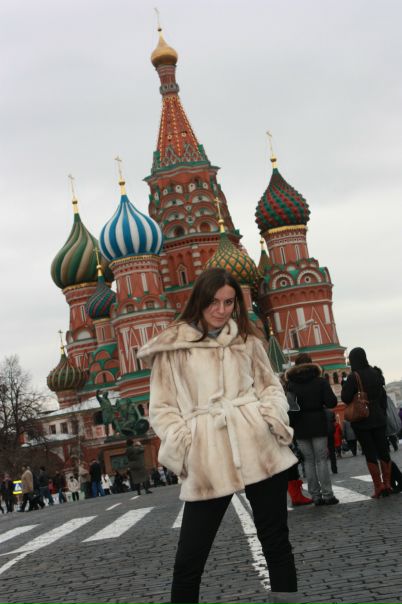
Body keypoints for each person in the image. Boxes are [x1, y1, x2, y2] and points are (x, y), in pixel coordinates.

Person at [138, 268, 299, 604]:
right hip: (207, 453)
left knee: (276, 542)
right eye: (214, 301)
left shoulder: (247, 341)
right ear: (199, 299)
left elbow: (270, 386)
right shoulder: (174, 348)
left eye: (228, 302)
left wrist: (270, 417)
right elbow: (162, 407)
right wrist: (185, 444)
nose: (221, 310)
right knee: (190, 557)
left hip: (259, 446)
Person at [286, 353, 339, 506]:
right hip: (318, 423)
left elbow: (289, 407)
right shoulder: (320, 381)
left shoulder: (291, 384)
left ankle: (315, 496)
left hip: (300, 426)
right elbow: (331, 402)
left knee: (308, 461)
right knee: (321, 460)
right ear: (311, 364)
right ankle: (328, 495)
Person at [341, 350, 390, 498]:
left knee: (370, 453)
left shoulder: (353, 377)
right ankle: (387, 483)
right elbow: (382, 394)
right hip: (379, 417)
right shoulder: (376, 373)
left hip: (362, 420)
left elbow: (345, 397)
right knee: (384, 451)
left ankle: (378, 486)